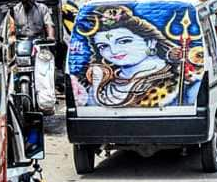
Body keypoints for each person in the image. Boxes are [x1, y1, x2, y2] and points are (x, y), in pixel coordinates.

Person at [73, 6, 202, 108]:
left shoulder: (181, 80)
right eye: (103, 46)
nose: (113, 51)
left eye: (124, 41)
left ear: (150, 41)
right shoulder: (100, 82)